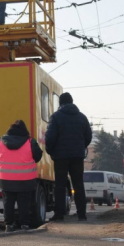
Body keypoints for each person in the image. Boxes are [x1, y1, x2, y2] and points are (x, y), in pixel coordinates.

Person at [45, 92, 92, 221]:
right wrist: (80, 147)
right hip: (77, 156)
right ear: (72, 102)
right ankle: (81, 214)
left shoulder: (55, 117)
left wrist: (50, 151)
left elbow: (50, 137)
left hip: (60, 157)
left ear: (60, 103)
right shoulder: (82, 117)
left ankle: (59, 214)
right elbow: (88, 136)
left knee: (60, 185)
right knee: (78, 184)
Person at [0, 120, 43, 232]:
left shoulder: (1, 141)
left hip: (6, 179)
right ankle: (24, 225)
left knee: (8, 202)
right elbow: (38, 156)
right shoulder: (30, 142)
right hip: (26, 179)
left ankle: (9, 225)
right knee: (24, 203)